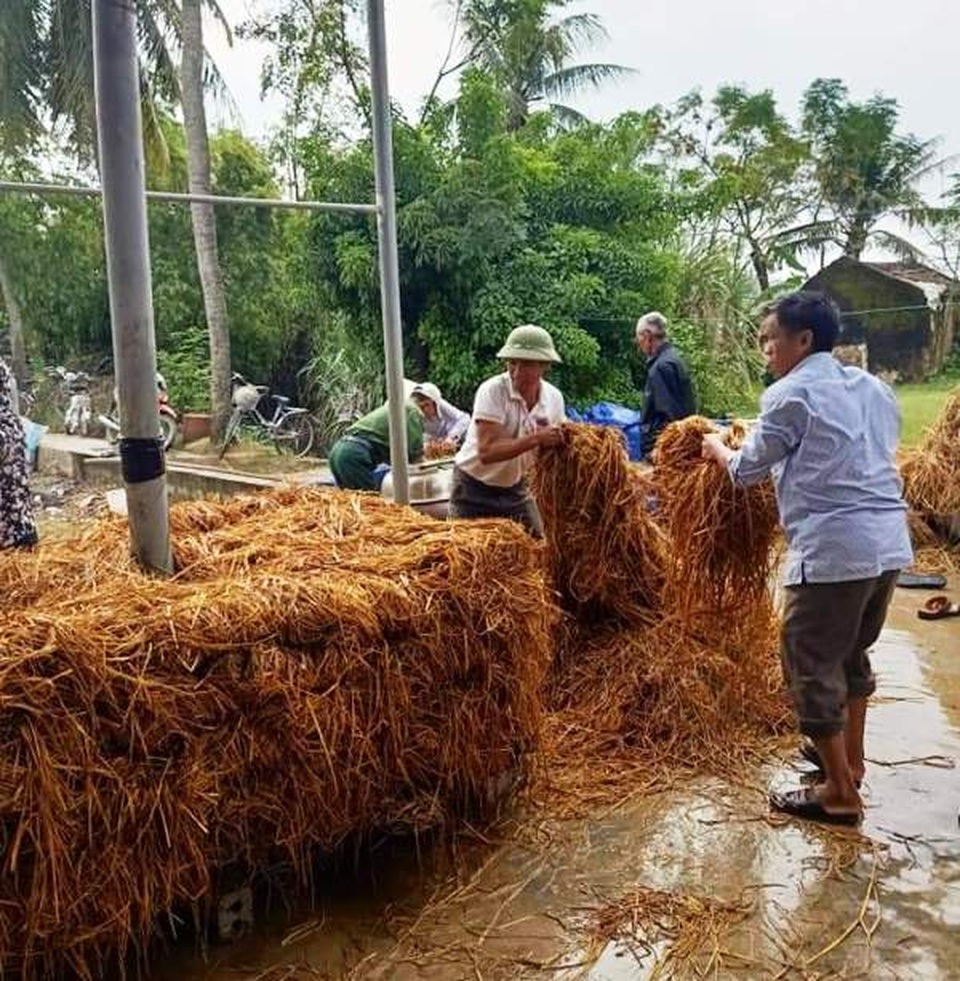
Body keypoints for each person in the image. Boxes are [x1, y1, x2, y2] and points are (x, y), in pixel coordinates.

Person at [701, 291, 912, 826]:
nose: (765, 348)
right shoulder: (873, 389)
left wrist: (715, 448)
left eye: (771, 337)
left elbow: (745, 471)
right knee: (851, 654)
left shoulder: (788, 394)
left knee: (808, 661)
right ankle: (852, 764)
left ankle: (839, 792)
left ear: (804, 340)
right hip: (886, 543)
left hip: (835, 548)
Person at [450, 324, 565, 536]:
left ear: (544, 366)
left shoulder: (553, 398)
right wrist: (536, 438)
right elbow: (487, 452)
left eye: (526, 364)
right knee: (466, 556)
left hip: (515, 488)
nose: (516, 372)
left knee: (536, 546)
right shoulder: (492, 391)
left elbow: (556, 444)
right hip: (472, 488)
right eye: (512, 363)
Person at [329, 397, 424, 491]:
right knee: (369, 499)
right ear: (428, 404)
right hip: (353, 454)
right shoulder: (412, 411)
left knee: (349, 498)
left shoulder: (397, 408)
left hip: (339, 449)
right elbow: (416, 457)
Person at [635, 312, 695, 458]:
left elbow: (671, 415)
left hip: (663, 454)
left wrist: (660, 451)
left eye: (638, 337)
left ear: (647, 336)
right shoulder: (672, 358)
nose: (638, 343)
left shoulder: (662, 367)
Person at [0, 357, 38, 550]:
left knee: (10, 489)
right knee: (14, 489)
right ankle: (21, 535)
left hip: (4, 434)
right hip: (11, 431)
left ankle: (16, 539)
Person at [410, 382, 470, 455]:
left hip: (460, 445)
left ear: (435, 402)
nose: (425, 410)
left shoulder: (442, 405)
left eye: (427, 404)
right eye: (421, 406)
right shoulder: (415, 414)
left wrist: (451, 437)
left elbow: (464, 418)